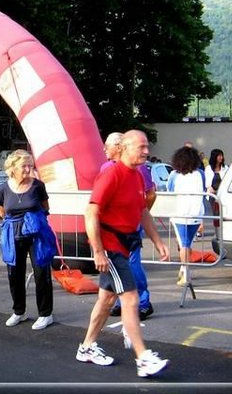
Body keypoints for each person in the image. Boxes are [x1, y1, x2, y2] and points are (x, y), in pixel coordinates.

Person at [78, 130, 170, 378]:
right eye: (141, 147)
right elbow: (91, 212)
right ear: (124, 147)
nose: (146, 151)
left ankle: (86, 347)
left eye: (147, 146)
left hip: (125, 244)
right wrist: (98, 250)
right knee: (130, 298)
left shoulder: (138, 175)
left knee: (107, 300)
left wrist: (158, 241)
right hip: (110, 247)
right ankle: (143, 358)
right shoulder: (112, 174)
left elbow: (142, 212)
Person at [0, 149, 56, 331]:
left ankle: (45, 314)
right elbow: (2, 212)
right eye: (24, 166)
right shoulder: (3, 188)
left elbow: (45, 208)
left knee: (41, 273)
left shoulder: (38, 186)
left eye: (31, 165)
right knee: (14, 274)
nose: (29, 169)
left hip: (36, 234)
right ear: (12, 167)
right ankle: (19, 311)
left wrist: (33, 221)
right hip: (13, 233)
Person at [101, 133, 156, 320]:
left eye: (107, 145)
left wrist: (139, 215)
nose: (104, 149)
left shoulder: (139, 169)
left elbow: (150, 194)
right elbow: (95, 206)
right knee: (115, 268)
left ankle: (143, 302)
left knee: (132, 264)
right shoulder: (106, 168)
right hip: (111, 231)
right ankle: (120, 301)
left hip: (130, 228)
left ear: (119, 146)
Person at [167, 146, 206, 286]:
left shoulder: (174, 175)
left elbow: (170, 191)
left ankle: (185, 272)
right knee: (188, 243)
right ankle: (184, 271)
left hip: (179, 213)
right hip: (196, 213)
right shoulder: (200, 174)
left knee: (183, 243)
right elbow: (203, 191)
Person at [204, 148, 228, 233]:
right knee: (216, 214)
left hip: (222, 194)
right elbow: (207, 183)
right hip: (212, 195)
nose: (221, 158)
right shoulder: (208, 168)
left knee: (223, 213)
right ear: (215, 157)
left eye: (222, 155)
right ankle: (217, 231)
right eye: (219, 156)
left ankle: (223, 230)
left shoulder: (225, 168)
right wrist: (211, 189)